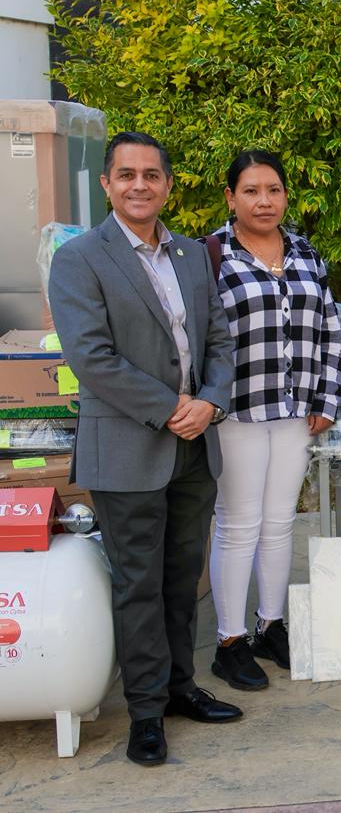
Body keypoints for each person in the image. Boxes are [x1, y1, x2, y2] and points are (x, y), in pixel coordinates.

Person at [48, 132, 241, 767]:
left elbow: (218, 336)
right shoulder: (80, 259)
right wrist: (171, 409)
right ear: (106, 184)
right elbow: (92, 358)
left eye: (151, 174)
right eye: (126, 174)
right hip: (131, 445)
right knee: (138, 585)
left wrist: (211, 399)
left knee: (183, 580)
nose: (139, 184)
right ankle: (146, 711)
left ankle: (181, 687)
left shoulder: (190, 254)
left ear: (166, 184)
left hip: (194, 444)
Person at [206, 150, 341, 691]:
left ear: (285, 196)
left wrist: (326, 399)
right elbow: (200, 339)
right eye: (251, 190)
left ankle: (270, 624)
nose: (264, 201)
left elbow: (329, 329)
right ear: (231, 198)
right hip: (237, 410)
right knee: (238, 524)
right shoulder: (210, 257)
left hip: (295, 410)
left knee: (280, 521)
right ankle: (229, 640)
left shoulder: (306, 254)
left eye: (274, 190)